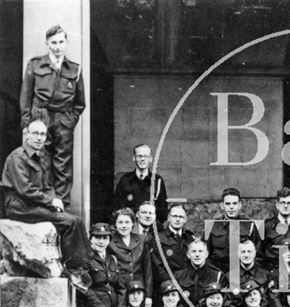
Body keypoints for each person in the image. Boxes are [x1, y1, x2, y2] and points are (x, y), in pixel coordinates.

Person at [1, 119, 92, 281]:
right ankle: (75, 270)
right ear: (26, 135)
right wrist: (50, 202)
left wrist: (56, 200)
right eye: (35, 133)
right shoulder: (17, 158)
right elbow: (24, 189)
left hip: (33, 204)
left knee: (73, 220)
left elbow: (47, 186)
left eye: (42, 134)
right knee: (71, 222)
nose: (39, 138)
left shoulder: (41, 157)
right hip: (19, 207)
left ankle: (82, 265)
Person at [19, 25, 85, 206]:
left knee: (63, 163)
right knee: (40, 158)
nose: (57, 47)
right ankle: (44, 201)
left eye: (61, 42)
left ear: (66, 43)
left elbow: (80, 103)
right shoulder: (35, 64)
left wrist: (70, 120)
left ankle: (62, 203)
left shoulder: (75, 69)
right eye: (53, 43)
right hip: (40, 117)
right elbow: (26, 96)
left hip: (63, 119)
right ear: (47, 44)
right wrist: (26, 124)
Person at [206, 187, 261, 271]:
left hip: (242, 273)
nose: (231, 207)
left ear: (239, 205)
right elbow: (205, 254)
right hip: (218, 271)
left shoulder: (249, 226)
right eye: (228, 204)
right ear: (222, 205)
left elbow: (257, 254)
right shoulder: (213, 226)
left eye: (234, 203)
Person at [108, 208, 153, 307]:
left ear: (133, 223)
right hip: (119, 291)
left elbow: (148, 269)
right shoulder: (110, 242)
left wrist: (148, 295)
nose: (124, 226)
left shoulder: (142, 240)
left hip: (138, 291)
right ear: (115, 224)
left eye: (127, 222)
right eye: (120, 222)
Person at [113, 144, 168, 224]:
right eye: (139, 156)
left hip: (151, 228)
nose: (142, 159)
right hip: (130, 228)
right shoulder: (125, 180)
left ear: (150, 159)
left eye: (145, 156)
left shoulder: (157, 181)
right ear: (134, 158)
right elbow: (117, 207)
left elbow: (162, 210)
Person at [261, 187, 290, 270]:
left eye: (289, 203)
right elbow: (260, 254)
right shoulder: (267, 226)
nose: (286, 206)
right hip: (274, 272)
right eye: (283, 202)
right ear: (277, 205)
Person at [152, 204, 196, 292]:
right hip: (167, 286)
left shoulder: (190, 238)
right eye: (174, 216)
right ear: (169, 218)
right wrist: (171, 284)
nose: (177, 219)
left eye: (181, 217)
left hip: (187, 284)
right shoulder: (159, 238)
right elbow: (158, 266)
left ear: (185, 219)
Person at [224, 239, 272, 307]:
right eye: (243, 252)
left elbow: (268, 300)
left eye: (249, 251)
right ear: (238, 254)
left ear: (254, 253)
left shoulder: (265, 275)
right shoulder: (229, 277)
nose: (246, 255)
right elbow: (228, 301)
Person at [174, 239, 224, 306]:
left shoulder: (217, 275)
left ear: (206, 254)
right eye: (193, 251)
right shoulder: (179, 276)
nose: (197, 255)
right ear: (188, 255)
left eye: (200, 251)